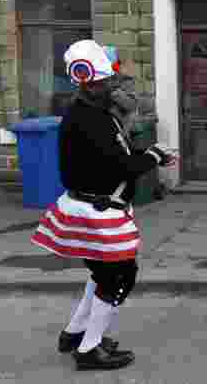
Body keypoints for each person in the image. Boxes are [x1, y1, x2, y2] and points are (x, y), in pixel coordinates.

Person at [30, 40, 176, 371]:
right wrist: (153, 155)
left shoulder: (90, 112)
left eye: (105, 80)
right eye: (98, 82)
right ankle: (89, 349)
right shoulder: (90, 119)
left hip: (92, 206)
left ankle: (76, 333)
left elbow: (116, 158)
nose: (105, 85)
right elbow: (119, 166)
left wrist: (150, 156)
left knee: (101, 273)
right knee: (120, 277)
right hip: (98, 211)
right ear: (84, 82)